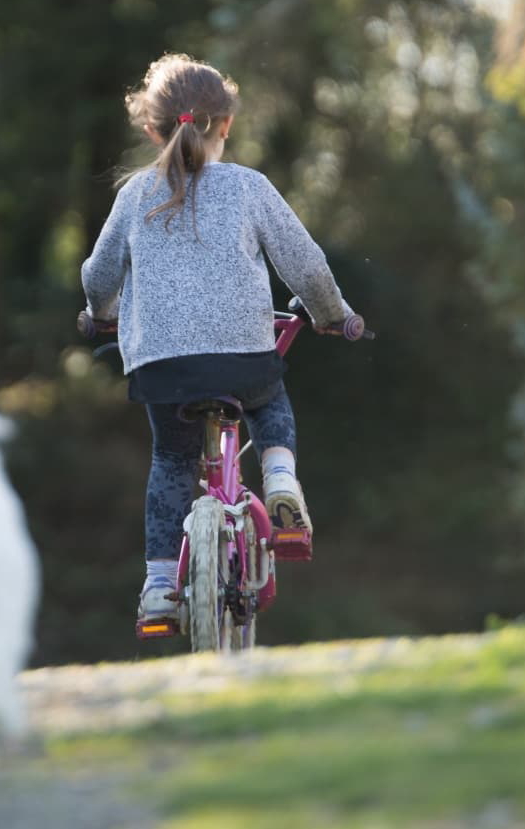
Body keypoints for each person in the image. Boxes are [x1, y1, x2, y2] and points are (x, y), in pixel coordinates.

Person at [80, 52, 356, 626]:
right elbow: (305, 265)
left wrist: (98, 313)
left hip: (161, 367)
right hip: (242, 358)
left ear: (153, 129)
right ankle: (279, 477)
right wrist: (332, 313)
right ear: (225, 125)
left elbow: (99, 275)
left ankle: (159, 587)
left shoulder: (133, 196)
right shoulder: (249, 187)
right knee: (269, 400)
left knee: (172, 460)